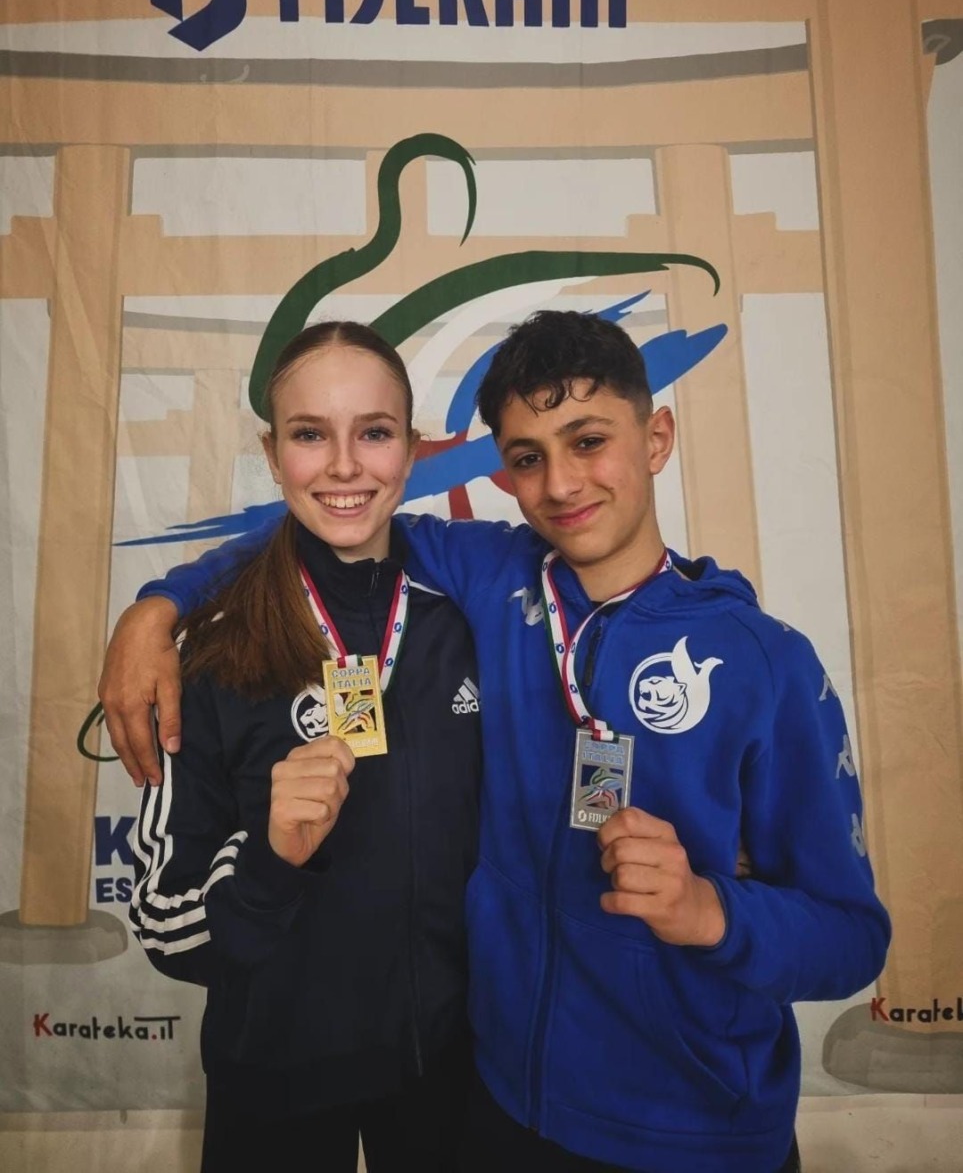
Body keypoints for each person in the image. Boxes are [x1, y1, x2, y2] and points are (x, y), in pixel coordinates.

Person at [102, 311, 890, 1173]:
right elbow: (332, 518)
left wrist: (710, 911)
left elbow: (851, 939)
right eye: (526, 457)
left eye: (588, 441)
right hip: (507, 1109)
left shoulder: (764, 663)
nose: (561, 483)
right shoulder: (490, 578)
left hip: (692, 1126)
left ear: (656, 436)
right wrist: (160, 603)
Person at [124, 321, 481, 1172]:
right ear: (272, 452)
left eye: (375, 432)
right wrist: (269, 858)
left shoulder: (468, 619)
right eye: (311, 434)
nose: (345, 466)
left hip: (447, 1066)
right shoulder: (212, 646)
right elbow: (163, 922)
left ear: (413, 449)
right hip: (273, 1075)